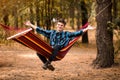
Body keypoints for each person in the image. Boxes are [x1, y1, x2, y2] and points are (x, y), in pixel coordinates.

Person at [25, 19, 95, 71]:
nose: (59, 26)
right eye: (58, 25)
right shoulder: (52, 32)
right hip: (50, 51)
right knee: (38, 52)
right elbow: (41, 30)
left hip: (60, 52)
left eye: (61, 25)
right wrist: (30, 24)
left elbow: (78, 33)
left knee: (57, 46)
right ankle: (48, 64)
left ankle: (48, 63)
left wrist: (87, 28)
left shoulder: (67, 34)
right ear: (56, 25)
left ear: (63, 27)